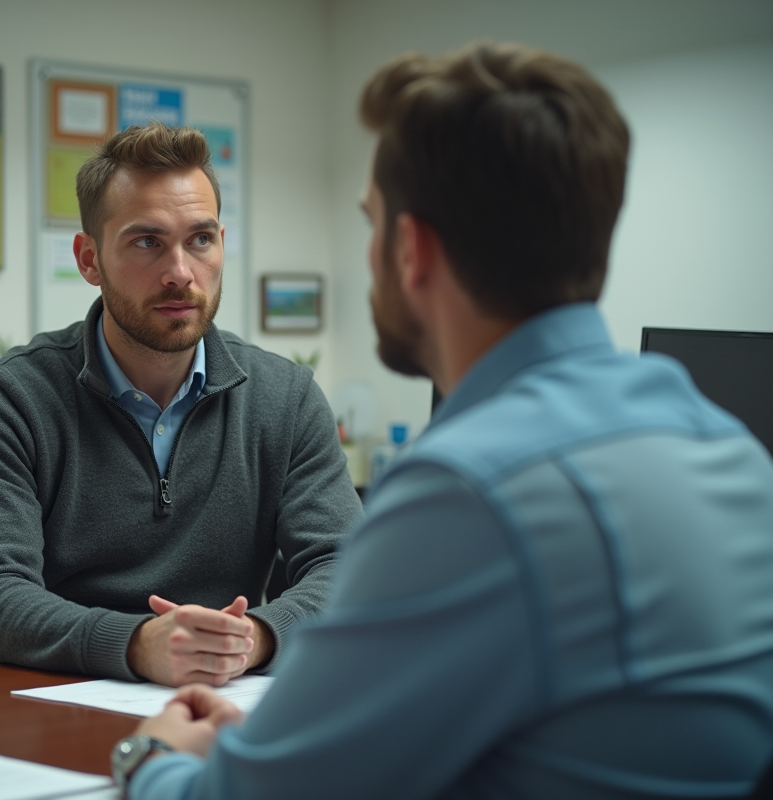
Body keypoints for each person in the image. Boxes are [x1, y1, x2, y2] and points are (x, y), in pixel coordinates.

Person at [115, 41, 773, 799]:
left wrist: (151, 758)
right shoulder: (726, 447)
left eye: (371, 224)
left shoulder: (471, 491)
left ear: (410, 249)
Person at [0, 122, 362, 688]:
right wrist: (138, 645)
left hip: (226, 700)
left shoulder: (285, 398)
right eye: (147, 242)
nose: (180, 273)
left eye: (200, 239)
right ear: (89, 260)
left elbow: (346, 569)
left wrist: (255, 638)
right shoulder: (9, 399)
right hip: (45, 706)